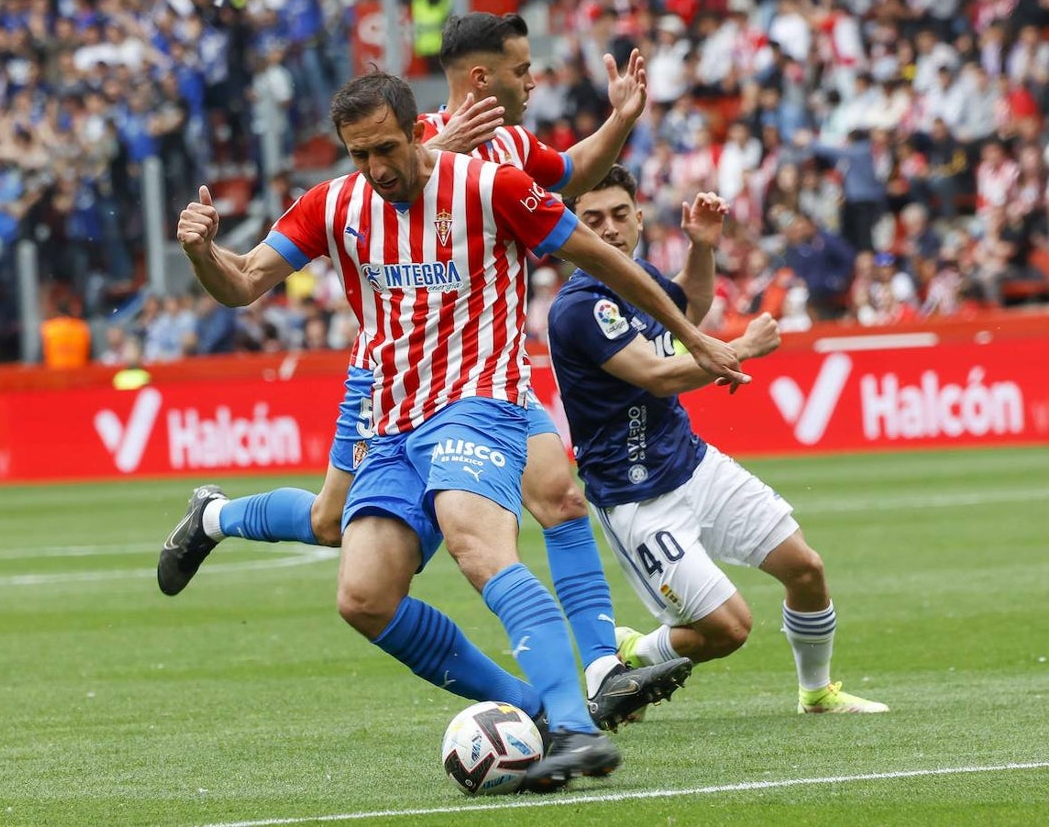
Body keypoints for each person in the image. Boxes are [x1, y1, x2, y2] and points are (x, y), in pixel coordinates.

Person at [173, 73, 745, 791]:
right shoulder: (335, 204)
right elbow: (246, 279)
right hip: (389, 421)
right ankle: (538, 713)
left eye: (386, 148)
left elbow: (602, 258)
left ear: (418, 131)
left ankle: (575, 724)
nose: (376, 168)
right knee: (364, 596)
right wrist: (201, 254)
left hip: (481, 400)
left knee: (478, 540)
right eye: (358, 154)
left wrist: (692, 335)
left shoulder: (491, 187)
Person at [546, 164, 890, 715]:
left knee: (806, 569)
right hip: (637, 497)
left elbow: (689, 308)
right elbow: (657, 374)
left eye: (618, 215)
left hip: (693, 464)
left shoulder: (641, 280)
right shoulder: (579, 307)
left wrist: (701, 247)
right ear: (570, 229)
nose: (608, 229)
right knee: (727, 630)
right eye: (591, 219)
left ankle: (817, 692)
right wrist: (743, 349)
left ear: (638, 218)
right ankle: (631, 655)